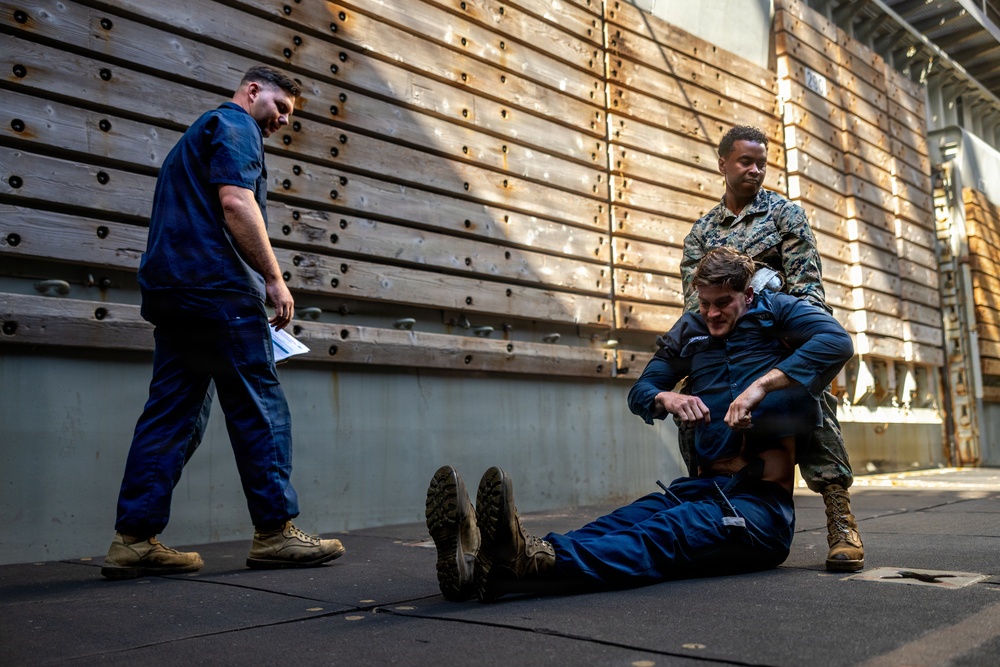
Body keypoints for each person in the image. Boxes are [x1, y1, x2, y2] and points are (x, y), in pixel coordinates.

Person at [425, 248, 854, 600]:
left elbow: (837, 341)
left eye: (723, 303)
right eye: (704, 303)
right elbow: (642, 391)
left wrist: (760, 387)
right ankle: (485, 564)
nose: (712, 314)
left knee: (662, 534)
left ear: (747, 293)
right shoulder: (692, 330)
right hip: (695, 490)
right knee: (613, 526)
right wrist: (667, 396)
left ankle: (512, 562)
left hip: (757, 511)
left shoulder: (778, 314)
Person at [101, 66, 345, 580]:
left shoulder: (191, 139)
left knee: (172, 412)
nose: (282, 120)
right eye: (280, 107)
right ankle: (276, 533)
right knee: (259, 405)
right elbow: (236, 201)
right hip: (216, 288)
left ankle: (134, 540)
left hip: (172, 292)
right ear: (252, 91)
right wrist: (275, 280)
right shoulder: (236, 127)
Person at [679, 125, 864, 572]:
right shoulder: (701, 232)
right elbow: (694, 300)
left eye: (761, 162)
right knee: (692, 402)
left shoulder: (784, 215)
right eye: (745, 161)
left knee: (812, 393)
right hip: (724, 342)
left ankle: (840, 518)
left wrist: (788, 334)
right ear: (723, 163)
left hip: (777, 335)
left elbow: (808, 286)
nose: (755, 170)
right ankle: (708, 508)